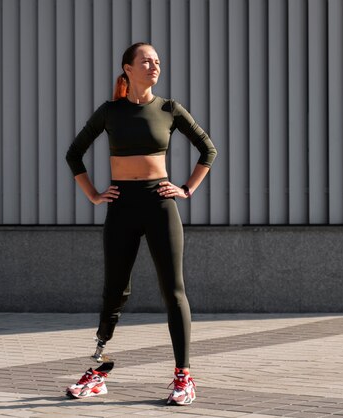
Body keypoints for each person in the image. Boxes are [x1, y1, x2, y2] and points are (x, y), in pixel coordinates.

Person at [65, 42, 216, 406]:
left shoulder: (169, 109)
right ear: (127, 68)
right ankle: (98, 368)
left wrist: (185, 189)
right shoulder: (110, 112)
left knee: (173, 290)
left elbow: (207, 148)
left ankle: (184, 375)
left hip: (159, 204)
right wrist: (94, 195)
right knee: (114, 290)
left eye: (158, 62)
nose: (155, 66)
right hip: (121, 206)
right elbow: (74, 153)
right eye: (146, 61)